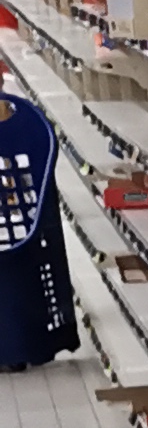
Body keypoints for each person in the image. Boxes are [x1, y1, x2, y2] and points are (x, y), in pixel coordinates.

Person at [0, 78, 82, 369]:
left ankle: (20, 346)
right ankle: (23, 346)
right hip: (22, 233)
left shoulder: (26, 128)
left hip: (20, 233)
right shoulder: (29, 126)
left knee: (20, 278)